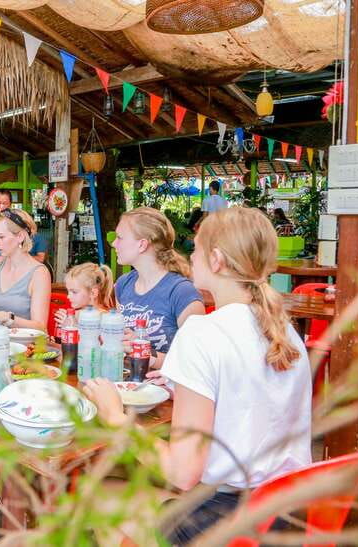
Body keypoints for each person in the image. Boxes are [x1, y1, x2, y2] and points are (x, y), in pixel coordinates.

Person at [83, 207, 311, 545]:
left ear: (216, 260)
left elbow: (182, 473)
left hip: (232, 521)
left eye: (197, 247)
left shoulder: (203, 333)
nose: (190, 255)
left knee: (94, 490)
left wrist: (115, 416)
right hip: (286, 510)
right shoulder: (284, 331)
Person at [110, 207, 204, 366]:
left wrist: (145, 353)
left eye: (120, 237)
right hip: (125, 378)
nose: (114, 243)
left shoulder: (182, 293)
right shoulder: (123, 284)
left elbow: (196, 363)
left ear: (142, 245)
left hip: (165, 382)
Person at [53, 263, 115, 329]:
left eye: (74, 292)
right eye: (68, 291)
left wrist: (72, 326)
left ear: (93, 293)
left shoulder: (104, 318)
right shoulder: (75, 315)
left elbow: (93, 335)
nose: (68, 296)